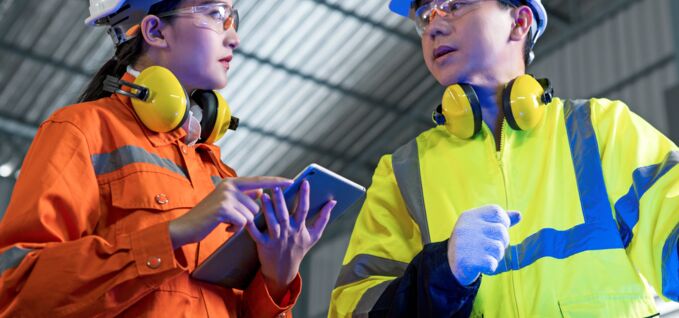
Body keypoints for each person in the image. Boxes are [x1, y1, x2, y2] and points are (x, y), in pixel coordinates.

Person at [329, 0, 679, 316]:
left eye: (455, 4)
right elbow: (355, 310)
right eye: (424, 15)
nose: (434, 24)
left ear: (519, 22)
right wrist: (442, 273)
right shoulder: (402, 174)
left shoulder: (601, 130)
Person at [0, 0, 336, 316]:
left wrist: (277, 279)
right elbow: (19, 293)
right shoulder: (82, 130)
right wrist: (172, 234)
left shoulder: (218, 173)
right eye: (217, 14)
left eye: (233, 18)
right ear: (156, 31)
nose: (233, 37)